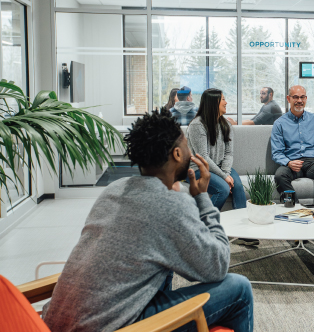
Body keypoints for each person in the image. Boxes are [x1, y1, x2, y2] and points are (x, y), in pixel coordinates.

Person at [42, 109, 253, 332]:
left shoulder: (114, 189)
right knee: (239, 287)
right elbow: (217, 265)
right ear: (178, 154)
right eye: (186, 144)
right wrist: (202, 198)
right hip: (112, 326)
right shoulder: (171, 205)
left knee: (162, 262)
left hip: (62, 320)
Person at [186, 89, 256, 246]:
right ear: (213, 103)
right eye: (223, 99)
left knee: (238, 186)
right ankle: (202, 227)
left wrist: (225, 173)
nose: (226, 102)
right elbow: (202, 157)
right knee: (223, 189)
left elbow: (229, 153)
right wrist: (224, 177)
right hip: (198, 169)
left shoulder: (226, 124)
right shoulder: (197, 125)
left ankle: (241, 231)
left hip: (219, 168)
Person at [271, 85, 314, 206]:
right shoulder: (279, 123)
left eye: (302, 97)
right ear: (288, 99)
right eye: (295, 97)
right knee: (280, 175)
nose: (299, 101)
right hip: (292, 163)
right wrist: (288, 162)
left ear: (306, 99)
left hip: (313, 162)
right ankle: (294, 208)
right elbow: (276, 152)